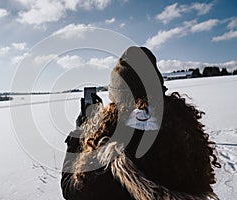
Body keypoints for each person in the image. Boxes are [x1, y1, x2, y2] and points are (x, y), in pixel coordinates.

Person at [60, 46, 221, 200]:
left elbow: (73, 191)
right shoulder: (184, 135)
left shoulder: (113, 156)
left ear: (118, 101)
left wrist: (79, 134)